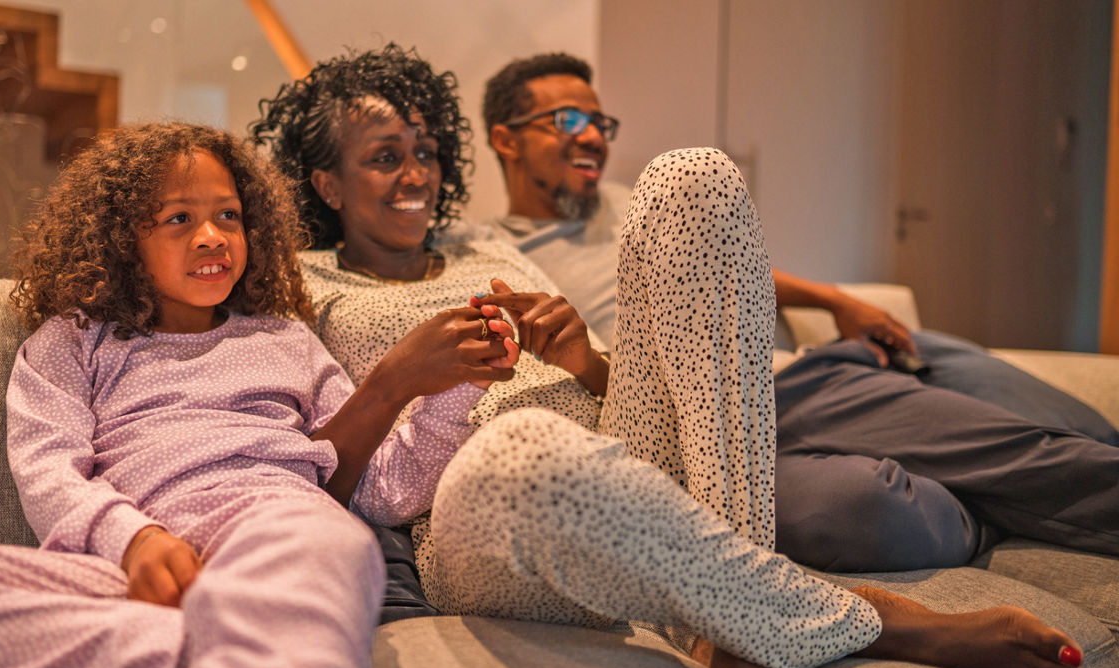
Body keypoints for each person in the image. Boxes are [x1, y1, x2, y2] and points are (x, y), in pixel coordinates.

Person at [251, 43, 1087, 668]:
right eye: (384, 157)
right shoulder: (299, 284)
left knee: (694, 175)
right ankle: (869, 622)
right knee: (527, 447)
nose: (417, 175)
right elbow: (305, 481)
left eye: (426, 151)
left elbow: (627, 386)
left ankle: (732, 610)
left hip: (628, 446)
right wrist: (396, 379)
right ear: (325, 181)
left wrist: (581, 356)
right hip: (484, 518)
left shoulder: (487, 247)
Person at [0, 122, 521, 668]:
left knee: (328, 548)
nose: (212, 236)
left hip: (280, 524)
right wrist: (133, 539)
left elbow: (386, 489)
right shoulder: (74, 341)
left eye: (229, 215)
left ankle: (255, 645)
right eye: (177, 218)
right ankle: (230, 635)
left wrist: (458, 385)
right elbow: (47, 468)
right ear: (121, 240)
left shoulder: (285, 339)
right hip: (144, 570)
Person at [480, 51, 1119, 572]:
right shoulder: (491, 254)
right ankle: (993, 504)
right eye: (567, 120)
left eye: (601, 122)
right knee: (866, 507)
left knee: (1045, 433)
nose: (593, 136)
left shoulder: (632, 203)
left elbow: (737, 275)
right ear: (505, 140)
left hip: (792, 376)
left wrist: (838, 301)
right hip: (696, 417)